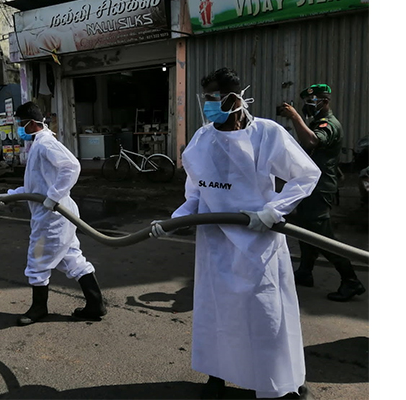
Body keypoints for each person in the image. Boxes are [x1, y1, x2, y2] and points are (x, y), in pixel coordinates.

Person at [151, 68, 320, 399]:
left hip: (259, 242)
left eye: (215, 97)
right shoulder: (202, 140)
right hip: (216, 244)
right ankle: (218, 375)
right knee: (218, 314)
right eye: (207, 98)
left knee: (267, 317)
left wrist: (272, 211)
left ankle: (281, 383)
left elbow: (305, 175)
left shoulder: (266, 134)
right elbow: (196, 193)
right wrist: (175, 219)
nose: (210, 105)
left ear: (235, 98)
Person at [0, 102, 107, 326]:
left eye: (20, 124)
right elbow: (34, 186)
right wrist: (7, 196)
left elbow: (72, 166)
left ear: (33, 124)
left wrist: (53, 197)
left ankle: (39, 308)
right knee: (72, 257)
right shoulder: (37, 144)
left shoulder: (46, 143)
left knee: (37, 260)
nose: (18, 128)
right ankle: (96, 304)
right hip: (55, 213)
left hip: (53, 215)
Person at [278, 84, 366, 302]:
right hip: (312, 185)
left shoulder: (329, 124)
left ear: (324, 101)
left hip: (320, 188)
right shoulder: (317, 122)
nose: (308, 106)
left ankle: (351, 279)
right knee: (307, 229)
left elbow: (312, 141)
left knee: (322, 235)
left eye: (312, 102)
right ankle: (305, 271)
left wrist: (294, 117)